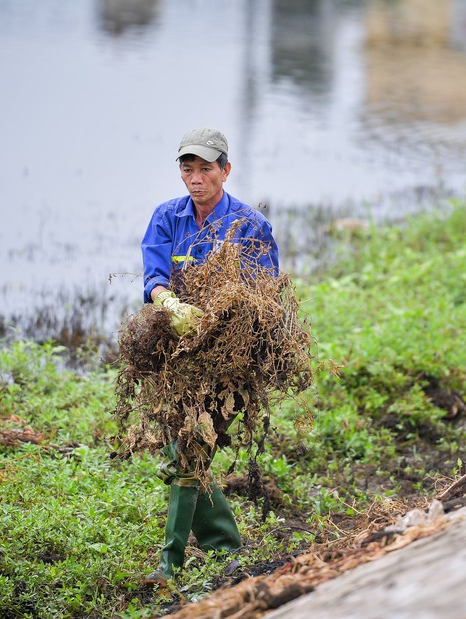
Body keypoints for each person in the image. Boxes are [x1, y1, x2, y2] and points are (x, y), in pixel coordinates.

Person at [140, 127, 279, 582]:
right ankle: (224, 545)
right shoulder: (167, 218)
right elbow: (154, 277)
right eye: (187, 169)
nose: (196, 178)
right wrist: (170, 303)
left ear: (225, 170)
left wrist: (220, 318)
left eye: (205, 169)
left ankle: (170, 564)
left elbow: (262, 297)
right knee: (183, 453)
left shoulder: (249, 225)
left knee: (190, 453)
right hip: (179, 358)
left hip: (231, 362)